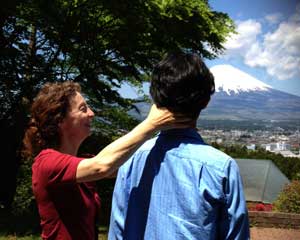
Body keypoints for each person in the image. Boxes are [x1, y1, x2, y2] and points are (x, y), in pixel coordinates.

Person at [23, 81, 192, 240]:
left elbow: (126, 165)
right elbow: (102, 166)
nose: (91, 113)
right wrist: (152, 124)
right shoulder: (46, 163)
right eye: (83, 109)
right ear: (60, 120)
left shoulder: (82, 164)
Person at [108, 52, 250, 239]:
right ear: (206, 102)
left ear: (155, 99)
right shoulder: (221, 167)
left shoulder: (131, 158)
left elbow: (117, 230)